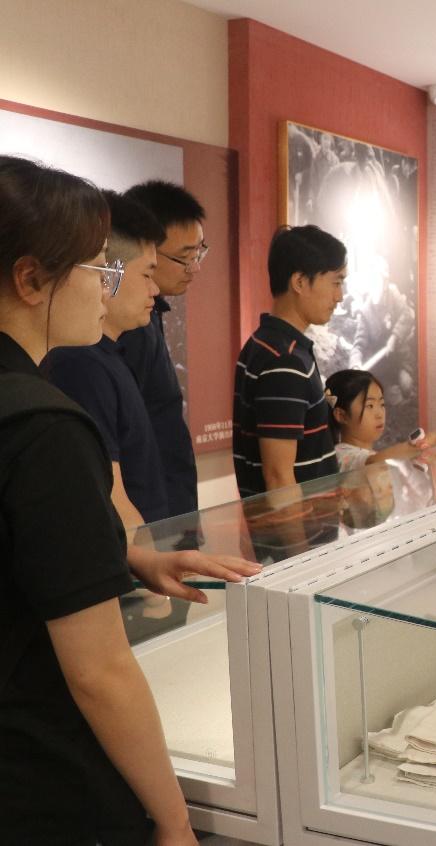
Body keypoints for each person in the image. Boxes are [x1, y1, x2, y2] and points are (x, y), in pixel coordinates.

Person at [0, 156, 257, 845]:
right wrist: (174, 821)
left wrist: (125, 558)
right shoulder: (43, 425)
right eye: (96, 267)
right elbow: (100, 671)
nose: (106, 284)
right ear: (31, 279)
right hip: (35, 777)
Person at [45, 191, 169, 530]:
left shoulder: (108, 357)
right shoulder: (80, 364)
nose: (155, 290)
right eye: (146, 275)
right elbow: (111, 494)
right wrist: (151, 556)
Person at [232, 225, 344, 498]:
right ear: (300, 282)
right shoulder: (284, 360)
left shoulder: (269, 345)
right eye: (336, 282)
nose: (339, 296)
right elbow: (279, 477)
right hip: (300, 524)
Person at [119, 180, 205, 521]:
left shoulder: (149, 316)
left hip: (169, 510)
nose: (195, 267)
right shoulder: (129, 329)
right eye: (184, 257)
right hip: (152, 517)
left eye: (199, 253)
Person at [326, 368, 436, 472]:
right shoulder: (341, 456)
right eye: (369, 406)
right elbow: (372, 461)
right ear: (341, 415)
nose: (379, 414)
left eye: (382, 404)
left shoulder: (369, 455)